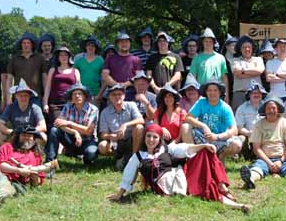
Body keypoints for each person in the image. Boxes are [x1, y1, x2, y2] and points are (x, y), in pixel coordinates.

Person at [106, 124, 250, 211]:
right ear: (144, 138)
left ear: (159, 139)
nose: (151, 140)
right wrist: (119, 194)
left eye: (155, 137)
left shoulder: (166, 149)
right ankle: (238, 205)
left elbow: (184, 148)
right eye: (148, 136)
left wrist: (204, 145)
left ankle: (222, 186)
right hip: (170, 185)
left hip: (180, 174)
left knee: (206, 151)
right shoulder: (138, 156)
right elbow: (128, 175)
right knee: (205, 188)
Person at [239, 94, 286, 189]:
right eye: (268, 108)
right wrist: (269, 163)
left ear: (278, 109)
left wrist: (281, 161)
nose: (271, 111)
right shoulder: (258, 124)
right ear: (264, 110)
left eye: (273, 108)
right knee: (258, 168)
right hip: (264, 159)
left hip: (283, 158)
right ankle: (250, 179)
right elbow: (256, 148)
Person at [181, 80, 242, 163]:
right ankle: (193, 160)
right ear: (206, 92)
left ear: (220, 92)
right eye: (209, 90)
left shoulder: (225, 107)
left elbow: (234, 130)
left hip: (220, 140)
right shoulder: (201, 103)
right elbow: (187, 118)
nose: (212, 93)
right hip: (202, 138)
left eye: (215, 90)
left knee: (237, 144)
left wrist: (217, 136)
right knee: (185, 127)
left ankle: (220, 157)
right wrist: (203, 126)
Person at [46, 83, 99, 164]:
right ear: (71, 97)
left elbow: (88, 131)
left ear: (85, 96)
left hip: (88, 141)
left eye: (80, 93)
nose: (77, 96)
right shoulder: (68, 106)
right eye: (74, 94)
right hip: (71, 139)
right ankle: (50, 162)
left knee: (90, 154)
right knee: (54, 130)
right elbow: (58, 124)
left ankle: (84, 158)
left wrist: (69, 123)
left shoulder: (93, 109)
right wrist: (75, 132)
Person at [98, 84, 144, 169]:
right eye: (114, 95)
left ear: (124, 96)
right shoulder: (105, 112)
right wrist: (112, 136)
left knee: (139, 127)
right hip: (116, 142)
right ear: (109, 97)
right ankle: (119, 157)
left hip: (131, 140)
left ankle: (133, 159)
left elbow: (141, 120)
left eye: (119, 94)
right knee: (102, 146)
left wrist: (125, 125)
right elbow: (103, 135)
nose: (117, 97)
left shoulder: (131, 105)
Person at [6, 32, 47, 106]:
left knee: (37, 117)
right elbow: (9, 79)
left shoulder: (40, 58)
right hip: (18, 96)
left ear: (32, 44)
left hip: (36, 97)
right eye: (24, 43)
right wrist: (8, 97)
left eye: (28, 43)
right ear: (21, 45)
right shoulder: (14, 59)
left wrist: (46, 97)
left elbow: (45, 79)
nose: (26, 45)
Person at [43, 46, 80, 127]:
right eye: (61, 55)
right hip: (55, 104)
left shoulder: (75, 71)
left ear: (69, 57)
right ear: (58, 57)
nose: (63, 57)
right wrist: (45, 103)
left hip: (71, 103)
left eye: (65, 55)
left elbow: (79, 89)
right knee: (58, 124)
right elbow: (48, 87)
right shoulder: (52, 70)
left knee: (69, 126)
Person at [189, 27, 230, 101]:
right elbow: (192, 78)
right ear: (202, 42)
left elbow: (224, 77)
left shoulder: (220, 58)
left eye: (210, 41)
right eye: (205, 41)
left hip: (217, 93)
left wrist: (226, 95)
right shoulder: (196, 59)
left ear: (214, 43)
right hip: (201, 93)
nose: (208, 43)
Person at [102, 31, 142, 101]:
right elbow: (105, 75)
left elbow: (138, 77)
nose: (124, 44)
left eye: (126, 42)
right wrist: (117, 85)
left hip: (131, 93)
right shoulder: (110, 58)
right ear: (117, 44)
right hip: (113, 92)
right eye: (121, 42)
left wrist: (124, 85)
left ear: (130, 43)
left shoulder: (136, 59)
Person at [235, 80, 267, 159]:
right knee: (240, 139)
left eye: (259, 93)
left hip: (265, 134)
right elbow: (239, 127)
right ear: (249, 94)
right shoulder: (242, 108)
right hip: (248, 134)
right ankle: (246, 155)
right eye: (254, 93)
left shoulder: (267, 106)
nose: (256, 95)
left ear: (262, 94)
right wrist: (249, 133)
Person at [231, 35, 264, 110]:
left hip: (256, 93)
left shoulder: (258, 59)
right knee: (238, 118)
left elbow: (259, 71)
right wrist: (253, 73)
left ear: (252, 48)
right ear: (240, 49)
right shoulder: (235, 60)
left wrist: (243, 71)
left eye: (249, 47)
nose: (247, 49)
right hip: (239, 94)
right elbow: (237, 73)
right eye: (244, 47)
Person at [74, 36, 106, 105]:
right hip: (81, 95)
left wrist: (100, 95)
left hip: (95, 95)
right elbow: (74, 78)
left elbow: (104, 80)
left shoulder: (100, 60)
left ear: (96, 47)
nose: (90, 47)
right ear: (85, 47)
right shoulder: (79, 61)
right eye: (88, 45)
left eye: (93, 45)